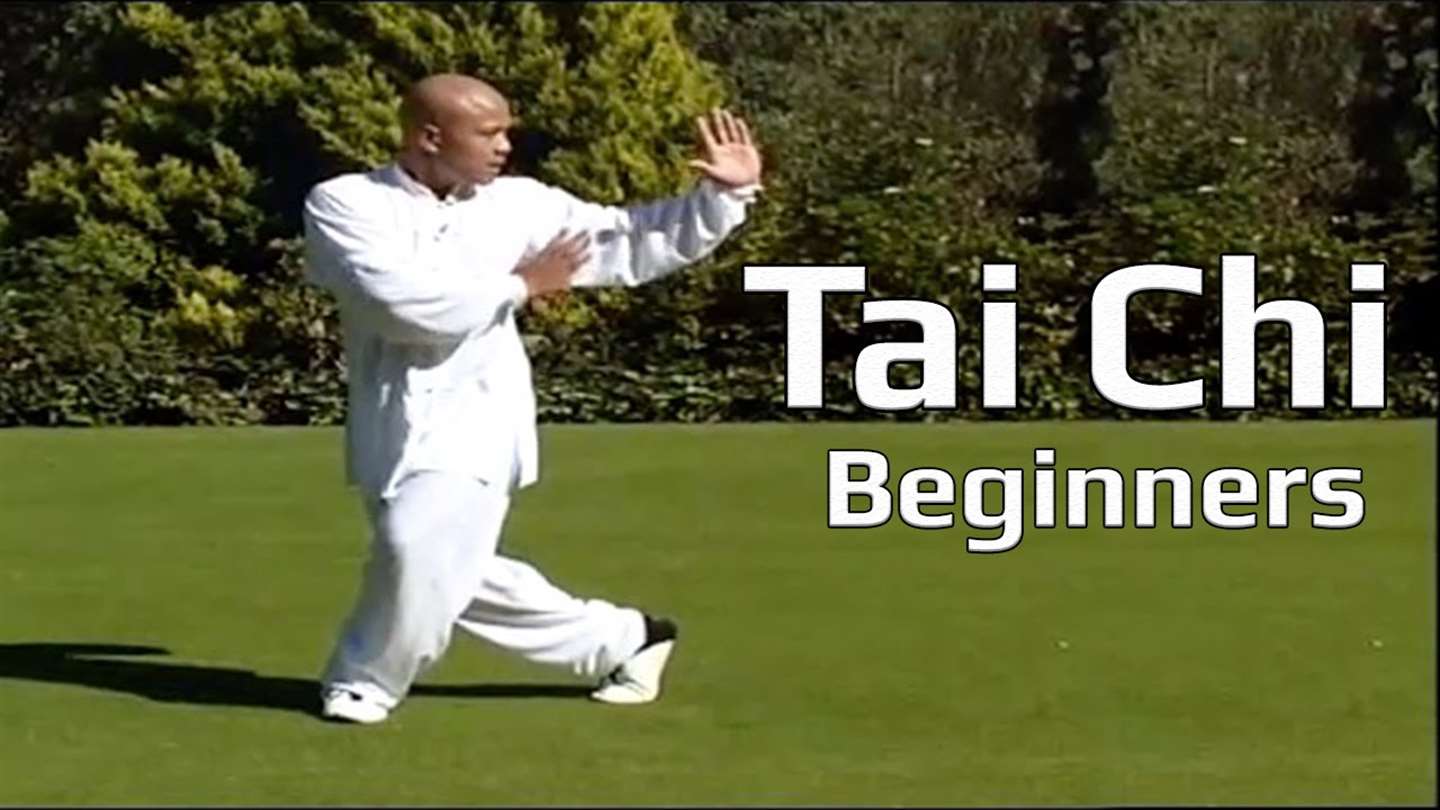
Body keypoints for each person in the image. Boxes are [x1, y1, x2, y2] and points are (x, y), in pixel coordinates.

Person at [300, 73, 761, 724]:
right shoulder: (346, 203)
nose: (505, 146)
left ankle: (363, 682)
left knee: (413, 545)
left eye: (506, 131)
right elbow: (395, 304)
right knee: (447, 566)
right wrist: (520, 286)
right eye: (488, 133)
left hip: (481, 415)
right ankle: (627, 640)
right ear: (430, 137)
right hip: (387, 418)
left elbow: (627, 239)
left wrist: (724, 195)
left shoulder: (520, 205)